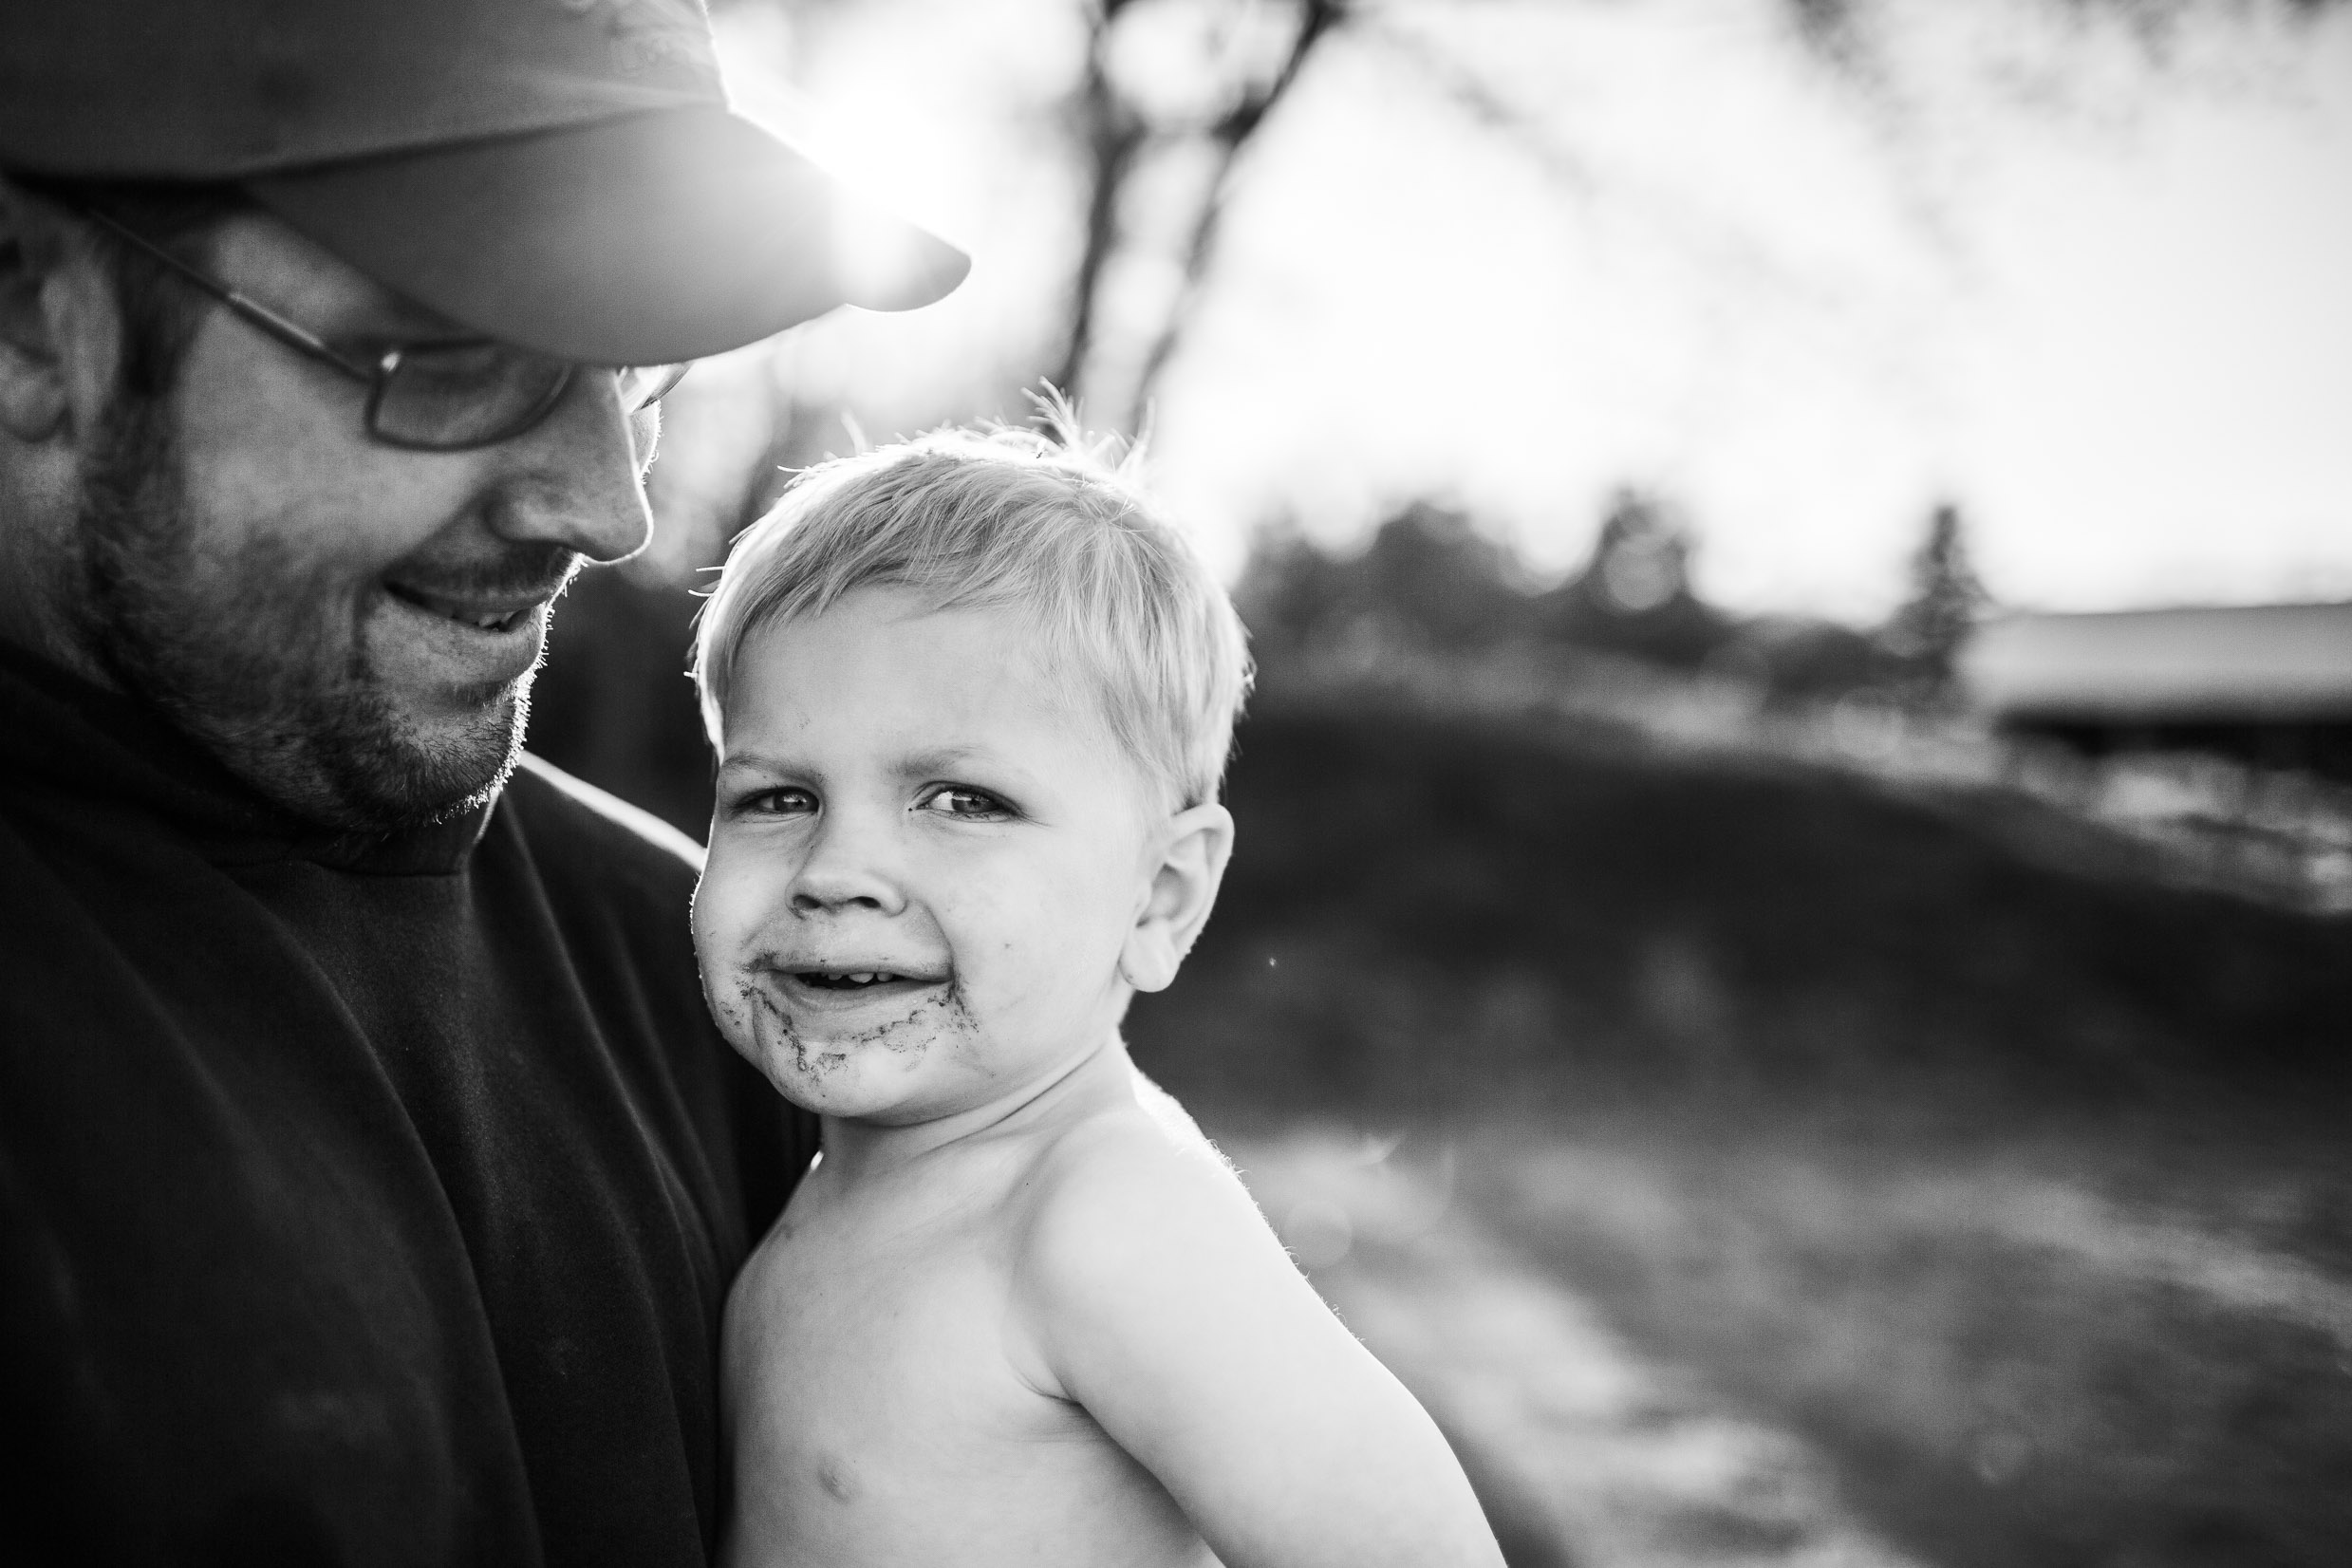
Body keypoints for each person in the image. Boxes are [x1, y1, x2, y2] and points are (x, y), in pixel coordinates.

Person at [0, 3, 965, 1563]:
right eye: (451, 357)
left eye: (635, 369)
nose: (609, 507)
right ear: (39, 319)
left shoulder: (707, 969)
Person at [689, 417, 1506, 1568]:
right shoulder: (826, 1181)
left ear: (1160, 897)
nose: (835, 872)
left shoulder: (1107, 1218)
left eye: (963, 800)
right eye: (775, 798)